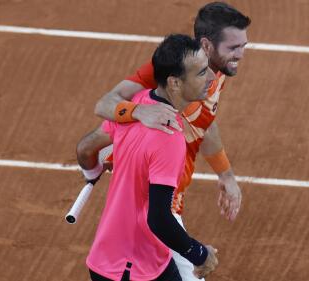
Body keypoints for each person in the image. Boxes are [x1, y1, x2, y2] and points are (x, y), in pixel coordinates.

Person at [78, 2, 251, 280]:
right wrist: (138, 113)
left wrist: (225, 174)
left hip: (156, 210)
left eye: (244, 46)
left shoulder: (209, 75)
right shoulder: (166, 78)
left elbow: (205, 121)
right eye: (234, 48)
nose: (241, 55)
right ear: (206, 46)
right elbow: (104, 107)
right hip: (158, 210)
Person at [81, 34, 218, 281]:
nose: (210, 78)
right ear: (175, 83)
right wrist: (199, 254)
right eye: (200, 73)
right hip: (134, 269)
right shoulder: (170, 136)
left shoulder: (135, 105)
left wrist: (91, 171)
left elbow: (84, 149)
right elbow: (158, 218)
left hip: (109, 258)